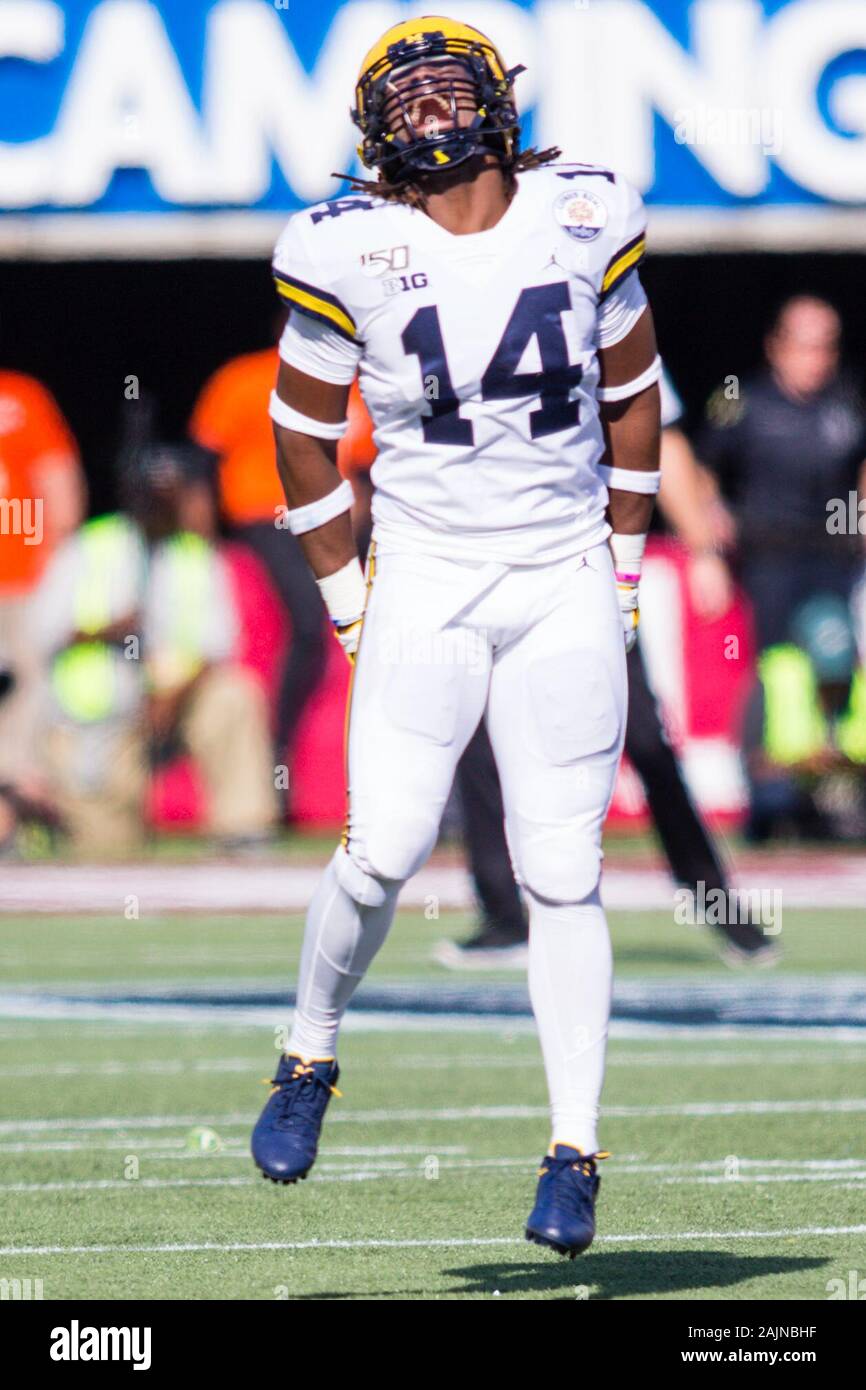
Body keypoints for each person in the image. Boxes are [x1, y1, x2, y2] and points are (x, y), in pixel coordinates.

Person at [251, 15, 662, 1259]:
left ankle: (573, 1149)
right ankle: (309, 1047)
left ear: (498, 103)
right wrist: (348, 601)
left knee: (561, 872)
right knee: (380, 849)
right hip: (425, 568)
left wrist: (625, 569)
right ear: (378, 131)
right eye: (409, 102)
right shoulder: (345, 245)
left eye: (449, 94)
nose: (432, 118)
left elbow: (636, 393)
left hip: (558, 571)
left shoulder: (589, 209)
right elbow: (298, 437)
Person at [444, 370, 778, 969]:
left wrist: (701, 546)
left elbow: (658, 433)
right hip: (480, 556)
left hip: (578, 560)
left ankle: (715, 901)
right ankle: (502, 913)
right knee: (476, 730)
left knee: (642, 733)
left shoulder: (592, 307)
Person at [31, 444, 276, 857]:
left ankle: (242, 832)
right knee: (107, 855)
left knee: (235, 694)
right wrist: (109, 629)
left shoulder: (197, 555)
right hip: (100, 719)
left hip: (173, 706)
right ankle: (47, 817)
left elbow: (218, 645)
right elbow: (44, 631)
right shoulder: (90, 545)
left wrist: (172, 695)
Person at [189, 329, 329, 785]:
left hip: (329, 519)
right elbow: (203, 460)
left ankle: (286, 750)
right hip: (263, 519)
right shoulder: (244, 377)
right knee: (306, 623)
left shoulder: (346, 378)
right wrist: (203, 535)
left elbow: (365, 464)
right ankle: (276, 744)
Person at [698, 296, 866, 656]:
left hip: (835, 559)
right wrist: (709, 539)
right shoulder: (739, 399)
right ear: (776, 346)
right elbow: (704, 469)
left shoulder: (850, 400)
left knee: (835, 654)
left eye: (826, 347)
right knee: (774, 665)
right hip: (765, 563)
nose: (816, 360)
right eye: (805, 347)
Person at [0, 370, 84, 852]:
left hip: (18, 578)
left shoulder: (21, 397)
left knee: (22, 696)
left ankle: (12, 816)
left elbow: (61, 495)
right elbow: (64, 498)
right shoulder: (21, 396)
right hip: (19, 575)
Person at [744, 593, 866, 842]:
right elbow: (752, 762)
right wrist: (805, 765)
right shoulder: (775, 677)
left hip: (851, 790)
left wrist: (843, 765)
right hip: (791, 791)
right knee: (773, 797)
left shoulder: (860, 683)